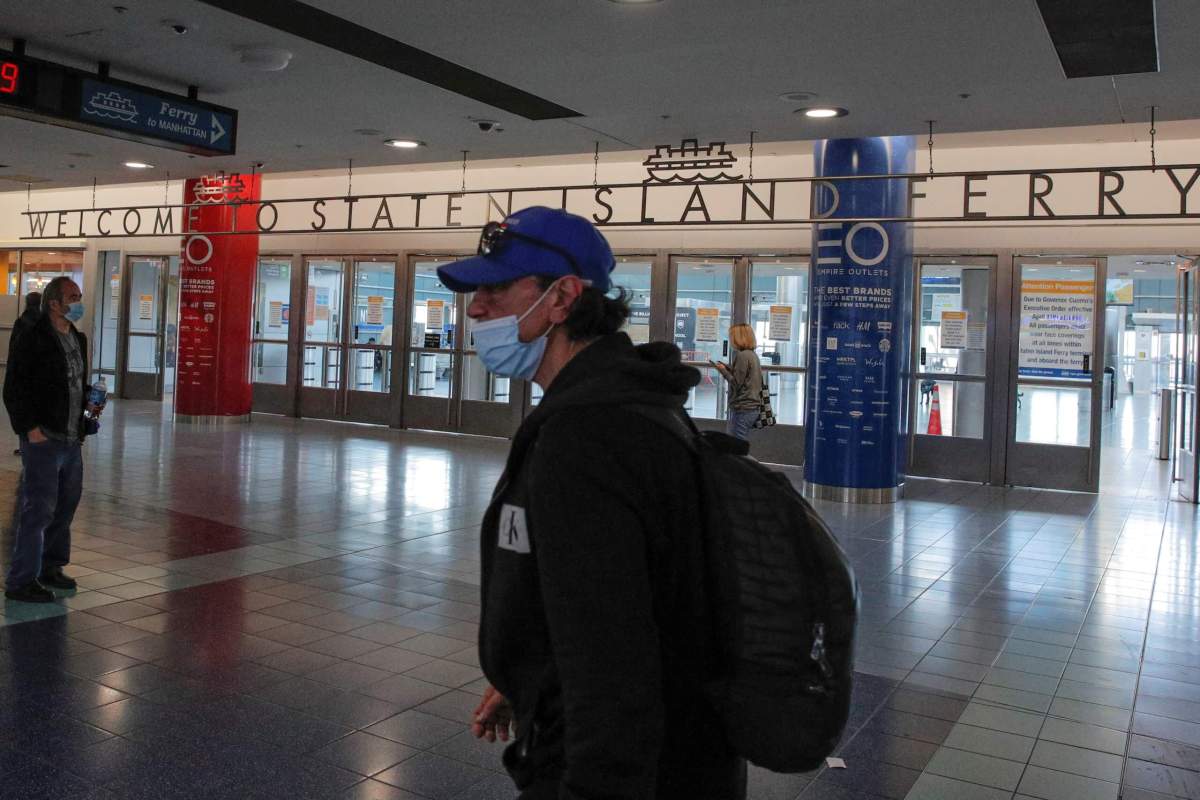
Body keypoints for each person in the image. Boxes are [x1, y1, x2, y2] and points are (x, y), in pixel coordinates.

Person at [439, 206, 745, 799]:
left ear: (562, 298)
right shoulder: (627, 404)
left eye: (497, 288)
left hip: (626, 770)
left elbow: (615, 668)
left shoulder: (588, 437)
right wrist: (527, 669)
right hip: (675, 753)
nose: (476, 308)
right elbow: (618, 596)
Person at [3, 277, 96, 603]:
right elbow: (14, 387)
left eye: (79, 296)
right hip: (44, 438)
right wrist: (30, 429)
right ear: (54, 303)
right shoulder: (34, 338)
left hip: (71, 438)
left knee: (65, 506)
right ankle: (20, 580)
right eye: (72, 296)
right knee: (38, 510)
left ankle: (50, 566)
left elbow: (74, 384)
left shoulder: (78, 339)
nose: (78, 301)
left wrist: (90, 405)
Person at [710, 323, 764, 441]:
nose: (730, 339)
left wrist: (723, 371)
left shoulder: (742, 356)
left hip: (743, 409)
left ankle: (745, 461)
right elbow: (745, 377)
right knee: (737, 444)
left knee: (736, 446)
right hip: (751, 408)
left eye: (732, 336)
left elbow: (736, 383)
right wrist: (729, 368)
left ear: (739, 337)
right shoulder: (752, 355)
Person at [7, 291, 41, 455]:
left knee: (23, 409)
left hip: (21, 374)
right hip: (36, 376)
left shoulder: (22, 321)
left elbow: (13, 347)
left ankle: (24, 445)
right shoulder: (43, 322)